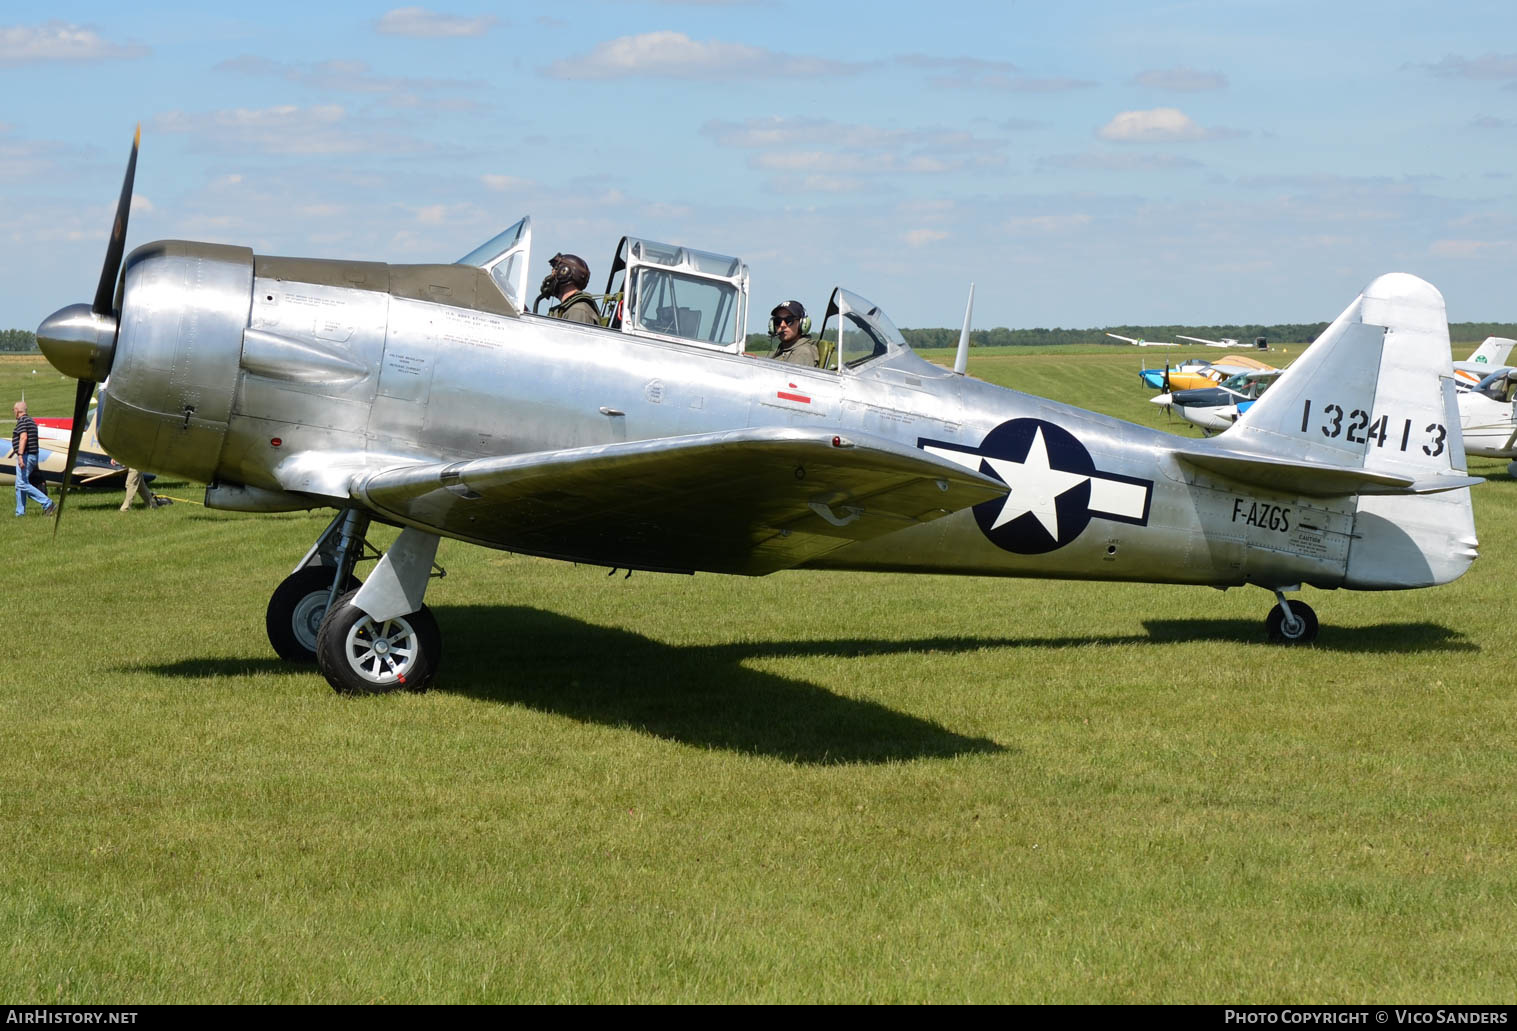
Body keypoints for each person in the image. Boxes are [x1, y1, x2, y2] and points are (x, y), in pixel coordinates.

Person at [11, 401, 54, 517]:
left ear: (17, 410)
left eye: (13, 410)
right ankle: (20, 513)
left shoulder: (22, 421)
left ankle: (47, 503)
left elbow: (23, 437)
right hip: (33, 455)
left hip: (25, 455)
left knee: (21, 484)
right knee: (19, 484)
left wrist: (20, 455)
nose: (13, 412)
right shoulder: (31, 421)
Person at [539, 253, 600, 325]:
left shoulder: (577, 310)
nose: (551, 277)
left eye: (554, 272)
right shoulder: (566, 309)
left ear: (564, 273)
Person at [767, 300, 819, 367]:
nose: (782, 325)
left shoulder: (802, 353)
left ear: (802, 323)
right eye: (778, 321)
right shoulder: (783, 350)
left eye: (789, 320)